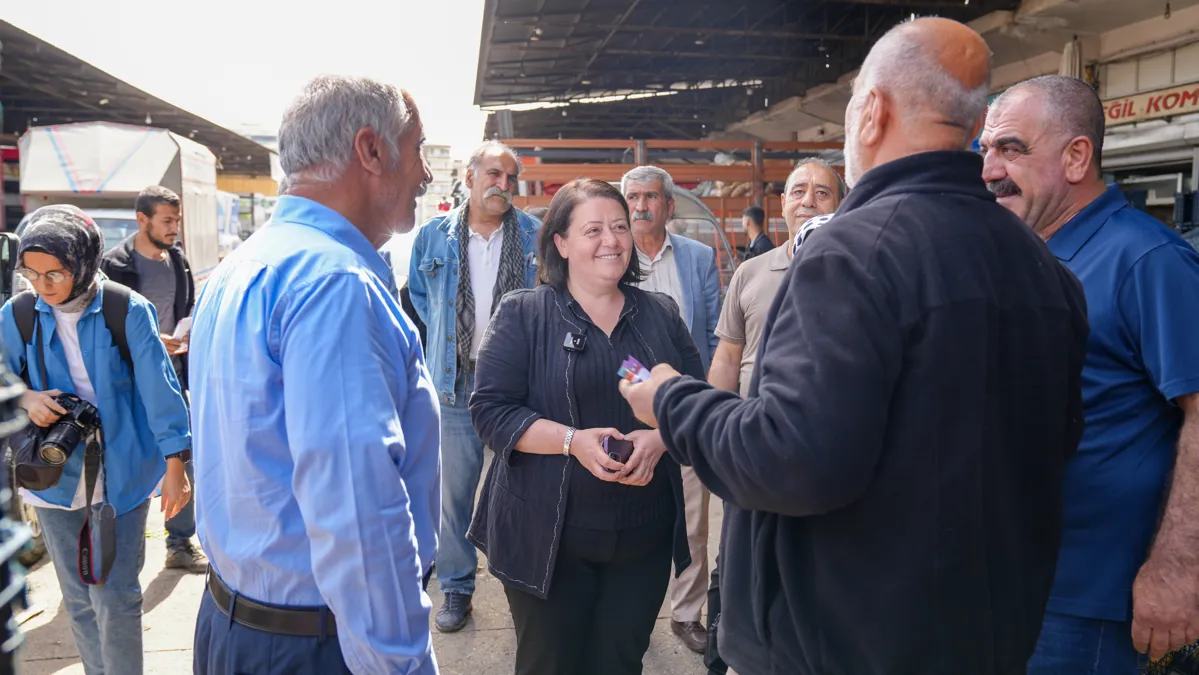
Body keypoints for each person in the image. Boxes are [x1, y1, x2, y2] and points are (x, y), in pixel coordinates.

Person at [619, 18, 1091, 675]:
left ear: (872, 112)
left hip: (841, 647)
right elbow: (1048, 447)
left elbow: (789, 459)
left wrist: (670, 398)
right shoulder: (1046, 271)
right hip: (987, 638)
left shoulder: (852, 253)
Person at [190, 75, 440, 674]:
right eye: (418, 150)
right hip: (314, 645)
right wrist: (401, 665)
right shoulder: (335, 283)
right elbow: (357, 510)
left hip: (233, 623)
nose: (427, 174)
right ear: (371, 150)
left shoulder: (244, 264)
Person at [981, 74, 1199, 671]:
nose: (989, 169)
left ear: (1077, 157)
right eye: (986, 150)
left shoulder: (1148, 260)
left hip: (1092, 604)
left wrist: (1179, 570)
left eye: (1010, 149)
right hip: (1011, 582)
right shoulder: (1021, 258)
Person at [468, 178, 703, 675]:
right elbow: (491, 410)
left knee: (619, 662)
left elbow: (694, 401)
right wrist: (572, 442)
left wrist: (660, 438)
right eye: (593, 230)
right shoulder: (525, 314)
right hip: (548, 536)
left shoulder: (657, 315)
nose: (611, 240)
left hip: (641, 535)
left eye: (619, 227)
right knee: (550, 664)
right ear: (560, 243)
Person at [1, 204, 192, 675]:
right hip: (51, 475)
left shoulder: (125, 309)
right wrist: (26, 397)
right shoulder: (19, 313)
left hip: (121, 473)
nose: (43, 285)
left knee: (116, 596)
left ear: (82, 263)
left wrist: (176, 465)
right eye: (32, 274)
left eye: (55, 273)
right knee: (78, 598)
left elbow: (160, 390)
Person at [702, 159, 844, 674]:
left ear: (841, 203)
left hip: (822, 452)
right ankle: (724, 655)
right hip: (749, 444)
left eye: (822, 192)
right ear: (782, 203)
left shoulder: (855, 268)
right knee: (735, 559)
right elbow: (727, 355)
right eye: (798, 190)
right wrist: (711, 431)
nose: (808, 199)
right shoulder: (752, 271)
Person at [408, 140, 540, 633]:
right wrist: (452, 340)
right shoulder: (433, 237)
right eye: (493, 174)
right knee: (455, 494)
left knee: (523, 490)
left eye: (510, 178)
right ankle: (457, 587)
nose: (502, 185)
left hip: (519, 382)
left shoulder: (533, 235)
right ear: (469, 178)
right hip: (456, 381)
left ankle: (526, 587)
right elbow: (421, 298)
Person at [620, 165, 720, 653]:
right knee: (628, 517)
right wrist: (640, 388)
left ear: (669, 205)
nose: (641, 206)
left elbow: (714, 335)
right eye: (633, 197)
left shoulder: (698, 257)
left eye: (651, 197)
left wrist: (703, 402)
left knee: (692, 521)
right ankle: (627, 614)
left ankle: (686, 613)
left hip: (685, 410)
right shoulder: (612, 252)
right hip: (622, 407)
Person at [99, 185, 205, 573]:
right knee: (124, 461)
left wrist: (185, 336)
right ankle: (112, 548)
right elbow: (103, 326)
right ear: (142, 219)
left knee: (181, 454)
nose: (174, 228)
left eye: (177, 220)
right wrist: (148, 340)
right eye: (167, 221)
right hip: (127, 380)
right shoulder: (114, 266)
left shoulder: (178, 260)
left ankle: (179, 543)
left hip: (171, 374)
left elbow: (184, 309)